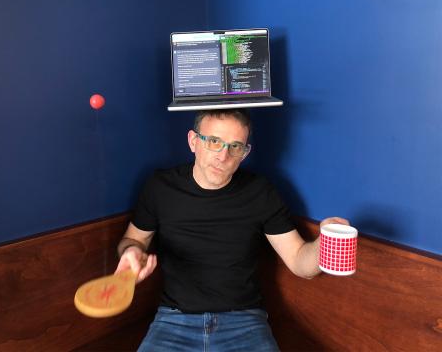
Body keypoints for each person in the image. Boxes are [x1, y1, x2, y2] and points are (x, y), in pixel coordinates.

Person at [115, 109, 349, 351]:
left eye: (235, 146)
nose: (223, 156)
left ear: (244, 153)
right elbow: (133, 239)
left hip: (244, 323)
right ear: (193, 141)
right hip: (174, 321)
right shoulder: (160, 186)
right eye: (214, 142)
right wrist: (131, 251)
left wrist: (325, 242)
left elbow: (300, 263)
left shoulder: (260, 192)